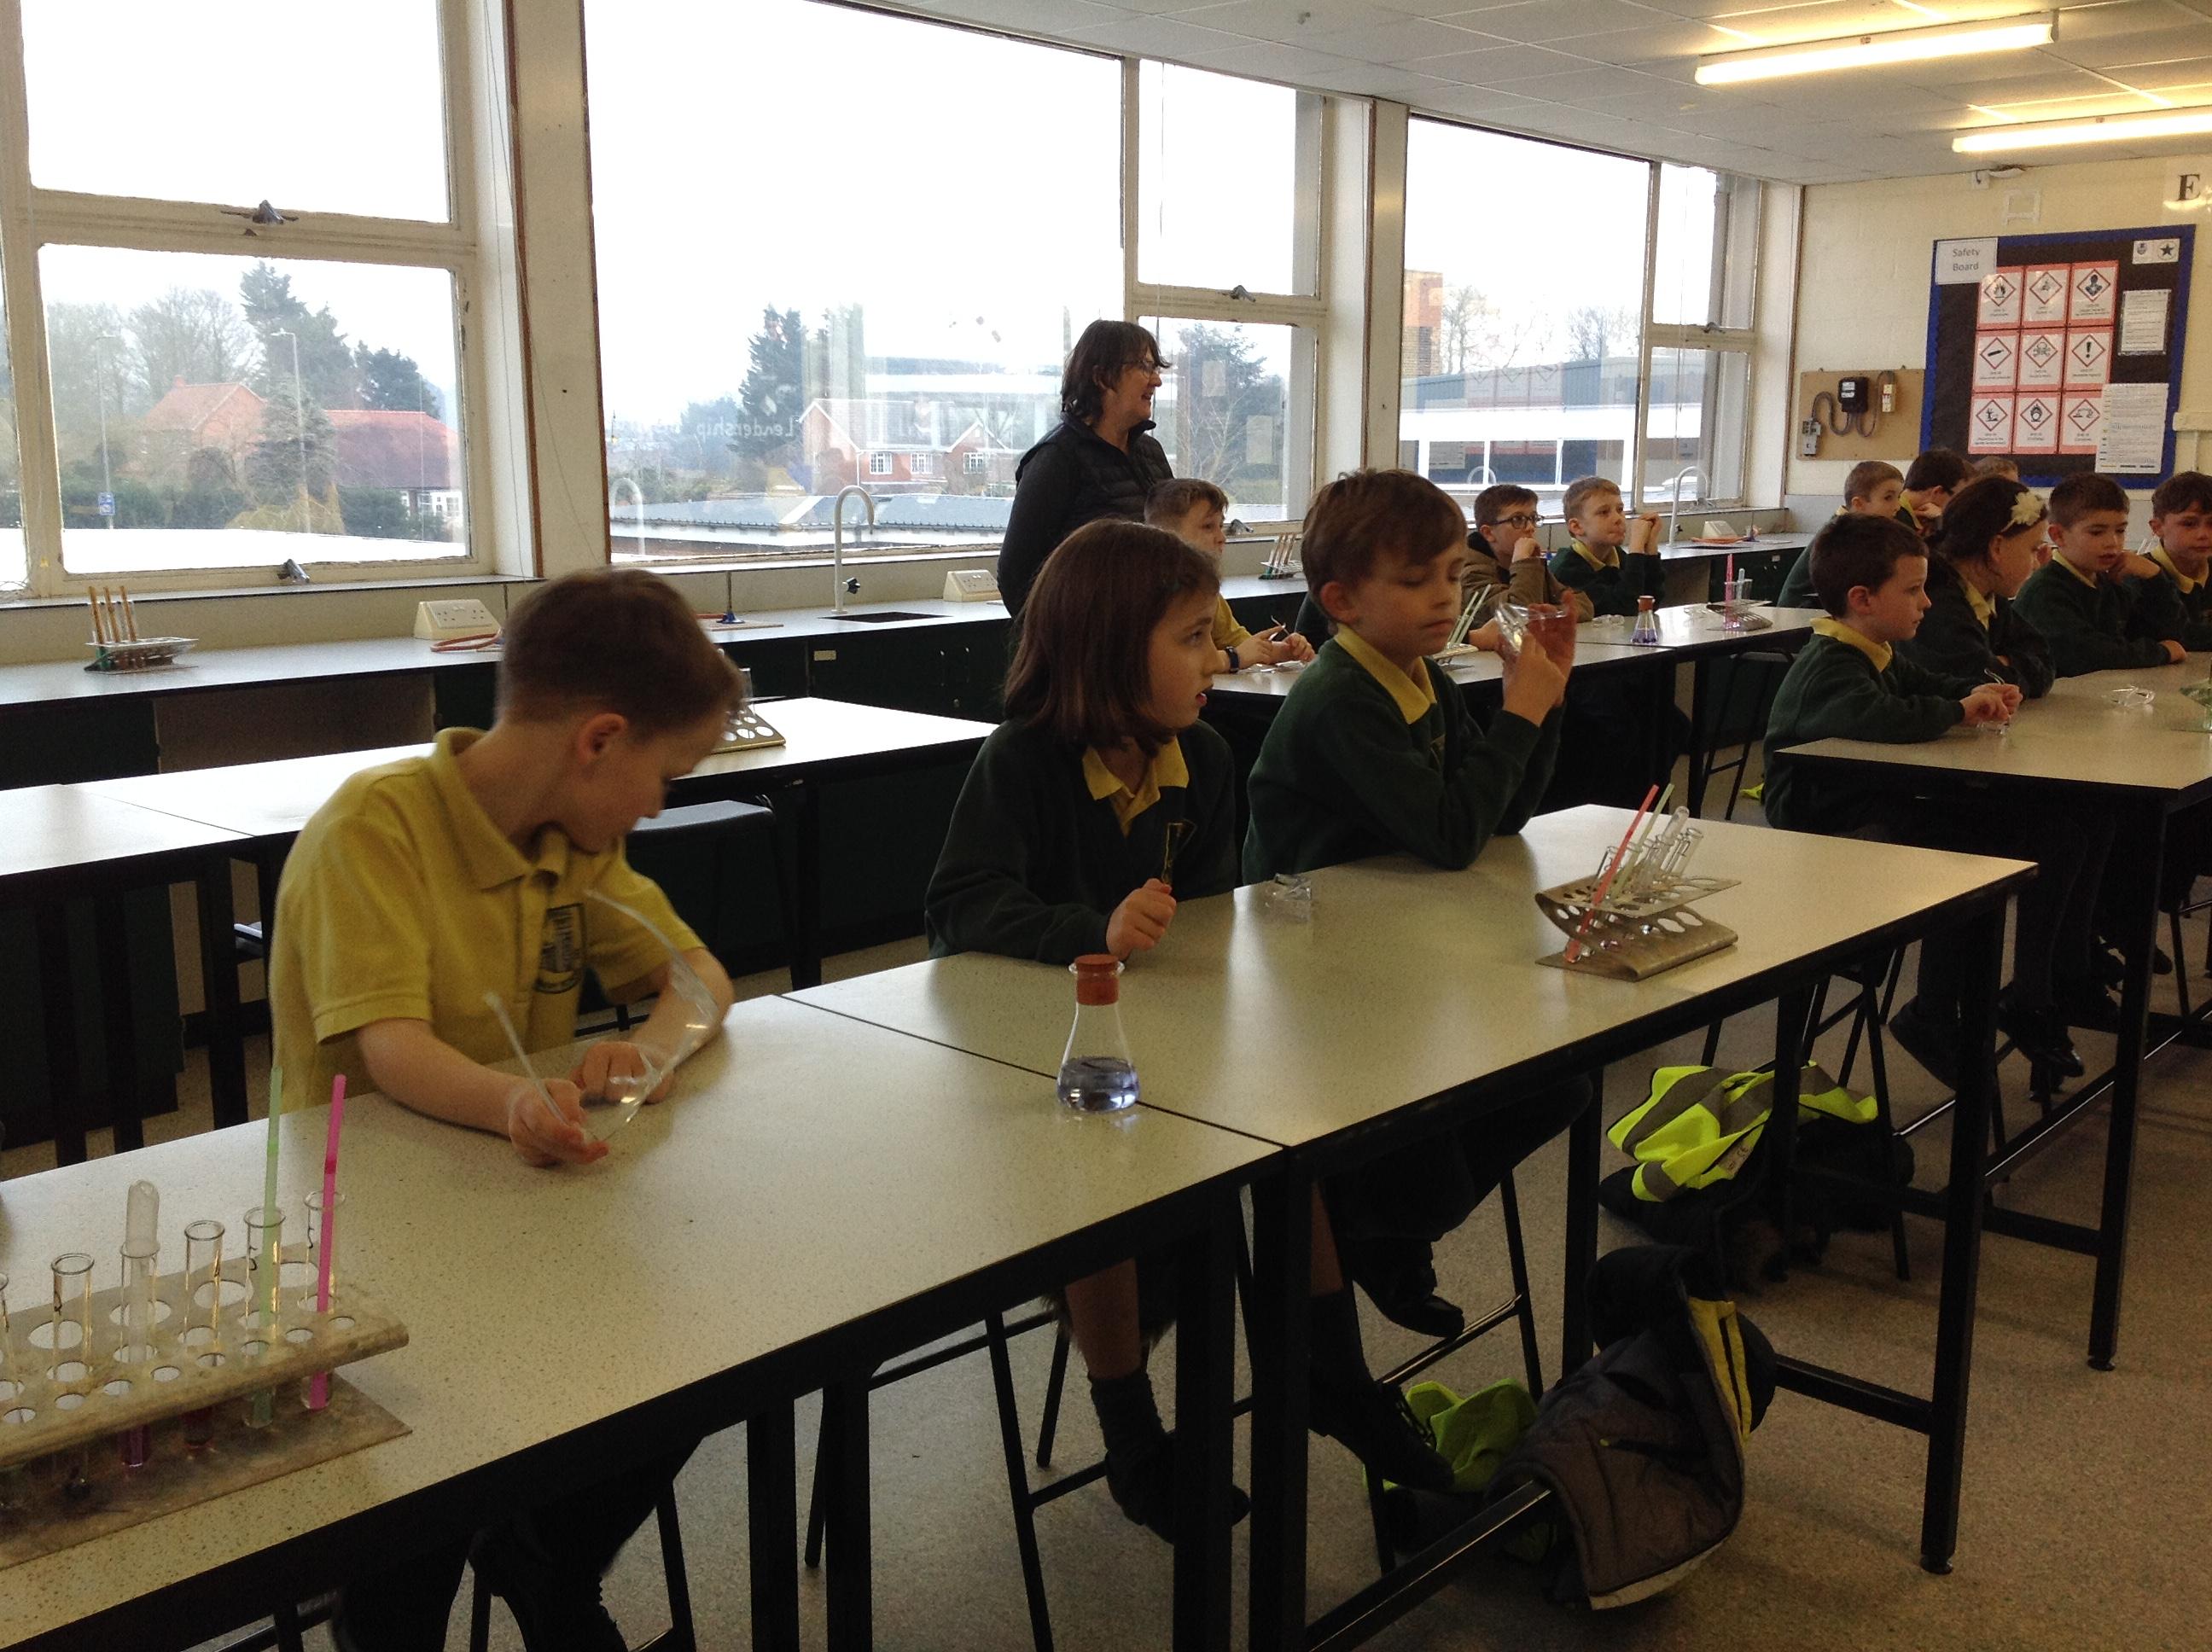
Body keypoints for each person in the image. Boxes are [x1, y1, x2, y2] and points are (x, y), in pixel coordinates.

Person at [926, 519, 1455, 1536]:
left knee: (1287, 1135)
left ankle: (1336, 1375)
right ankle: (1130, 1429)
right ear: (1106, 652)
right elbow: (959, 903)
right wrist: (1091, 931)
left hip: (1164, 1041)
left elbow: (1206, 930)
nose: (1218, 659)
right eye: (1191, 639)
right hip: (1029, 1066)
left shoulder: (1202, 760)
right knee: (1101, 1167)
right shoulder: (1022, 761)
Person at [270, 567, 741, 1652]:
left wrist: (653, 1050)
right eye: (665, 775)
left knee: (696, 1360)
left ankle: (544, 1556)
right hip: (370, 1236)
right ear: (600, 740)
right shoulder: (374, 828)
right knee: (417, 1502)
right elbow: (392, 1049)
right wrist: (514, 1101)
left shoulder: (571, 841)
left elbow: (700, 977)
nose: (657, 805)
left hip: (514, 1212)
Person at [1243, 469, 1590, 1337]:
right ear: (1342, 601)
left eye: (1448, 574)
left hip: (1399, 937)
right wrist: (1519, 716)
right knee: (1434, 1162)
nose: (1445, 598)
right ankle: (1379, 1228)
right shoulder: (1340, 698)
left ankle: (1382, 1228)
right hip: (1316, 966)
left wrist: (1540, 705)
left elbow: (1499, 815)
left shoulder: (1420, 677)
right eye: (1415, 581)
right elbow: (1449, 833)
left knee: (1560, 1085)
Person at [1759, 515, 2103, 1079]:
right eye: (1914, 590)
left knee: (2056, 833)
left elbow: (1924, 685)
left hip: (1882, 799)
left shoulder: (1877, 650)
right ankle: (1935, 1013)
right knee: (1965, 864)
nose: (1927, 602)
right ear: (1863, 600)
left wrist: (1976, 692)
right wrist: (1958, 711)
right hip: (1827, 819)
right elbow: (1881, 716)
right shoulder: (1830, 662)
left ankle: (2037, 990)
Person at [997, 320, 1173, 620]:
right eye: (1144, 367)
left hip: (1150, 635)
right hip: (1087, 642)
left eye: (1155, 368)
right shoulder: (1056, 459)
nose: (1156, 381)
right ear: (1102, 377)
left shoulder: (1151, 453)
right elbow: (1016, 576)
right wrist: (1060, 641)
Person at [2011, 472, 2186, 677]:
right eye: (2096, 532)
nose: (2112, 542)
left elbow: (2170, 633)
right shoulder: (2045, 591)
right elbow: (2089, 656)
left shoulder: (2108, 581)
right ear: (2058, 535)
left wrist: (2154, 576)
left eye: (2120, 531)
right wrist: (2162, 652)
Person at [1898, 474, 2056, 697]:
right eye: (2033, 549)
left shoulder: (1990, 595)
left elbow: (2044, 660)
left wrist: (1999, 664)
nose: (2037, 562)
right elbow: (1979, 684)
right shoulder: (1935, 601)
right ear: (1997, 547)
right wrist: (2006, 663)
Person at [1146, 476, 1313, 673]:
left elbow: (1241, 644)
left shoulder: (1208, 591)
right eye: (1208, 527)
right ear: (1167, 534)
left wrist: (1284, 651)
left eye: (1221, 526)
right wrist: (1234, 658)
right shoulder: (1154, 593)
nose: (1221, 537)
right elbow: (1173, 661)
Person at [1777, 459, 1906, 609]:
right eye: (1888, 498)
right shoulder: (1842, 535)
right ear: (1858, 504)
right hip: (1800, 611)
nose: (1897, 506)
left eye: (1898, 497)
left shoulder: (1860, 529)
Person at [1464, 482, 1592, 627]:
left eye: (1533, 518)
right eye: (1517, 520)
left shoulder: (1528, 562)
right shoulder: (1471, 572)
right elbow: (1519, 616)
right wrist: (1523, 563)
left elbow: (1583, 605)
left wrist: (1544, 614)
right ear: (1488, 533)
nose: (1530, 527)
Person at [1545, 475, 1665, 616]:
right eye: (1604, 512)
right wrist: (1636, 549)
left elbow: (1650, 603)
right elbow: (1625, 607)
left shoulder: (1616, 556)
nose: (1618, 519)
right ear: (1577, 527)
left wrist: (1651, 549)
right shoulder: (1567, 569)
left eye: (1620, 509)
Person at [2123, 469, 2212, 653]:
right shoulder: (2138, 578)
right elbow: (2182, 637)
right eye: (2189, 524)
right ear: (2157, 528)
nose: (2204, 534)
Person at [1901, 447, 1972, 538]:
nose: (1958, 506)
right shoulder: (1899, 523)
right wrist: (1942, 521)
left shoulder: (1905, 516)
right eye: (1956, 498)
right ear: (1937, 492)